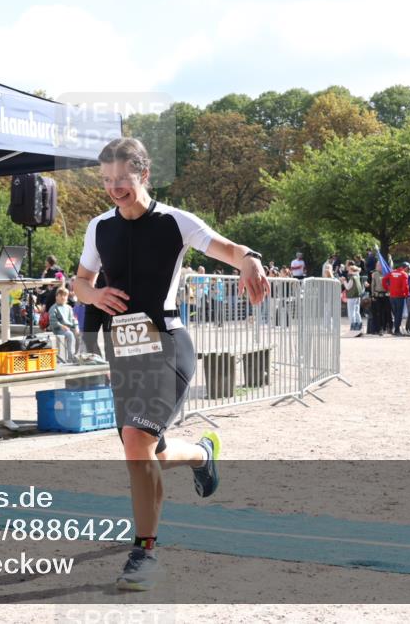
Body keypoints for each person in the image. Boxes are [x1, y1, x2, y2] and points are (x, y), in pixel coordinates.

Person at [74, 137, 270, 591]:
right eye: (106, 180)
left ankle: (143, 554)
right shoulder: (98, 226)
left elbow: (229, 248)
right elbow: (80, 281)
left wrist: (251, 260)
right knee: (150, 450)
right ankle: (202, 454)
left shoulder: (175, 221)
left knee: (135, 441)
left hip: (167, 345)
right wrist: (95, 294)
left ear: (143, 174)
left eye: (122, 179)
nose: (114, 189)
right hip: (123, 349)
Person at [48, 286, 80, 363]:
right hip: (59, 329)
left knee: (78, 335)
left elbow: (73, 319)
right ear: (56, 297)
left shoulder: (68, 308)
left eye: (65, 295)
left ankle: (76, 354)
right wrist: (61, 326)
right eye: (61, 295)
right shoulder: (54, 308)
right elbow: (53, 321)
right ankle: (70, 357)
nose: (63, 297)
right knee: (70, 335)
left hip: (68, 327)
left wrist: (76, 327)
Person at [383, 262, 410, 336]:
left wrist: (387, 288)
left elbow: (384, 279)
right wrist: (407, 294)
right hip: (400, 296)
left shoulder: (392, 273)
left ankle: (395, 328)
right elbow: (406, 286)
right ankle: (397, 330)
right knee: (399, 314)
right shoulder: (404, 274)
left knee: (395, 313)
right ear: (406, 267)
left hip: (392, 296)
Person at [341, 264, 363, 331]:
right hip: (357, 296)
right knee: (357, 311)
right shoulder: (357, 276)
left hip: (352, 296)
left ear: (352, 271)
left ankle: (353, 325)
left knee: (351, 312)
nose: (348, 271)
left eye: (349, 270)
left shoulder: (352, 278)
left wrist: (343, 281)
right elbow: (358, 270)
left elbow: (347, 287)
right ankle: (359, 324)